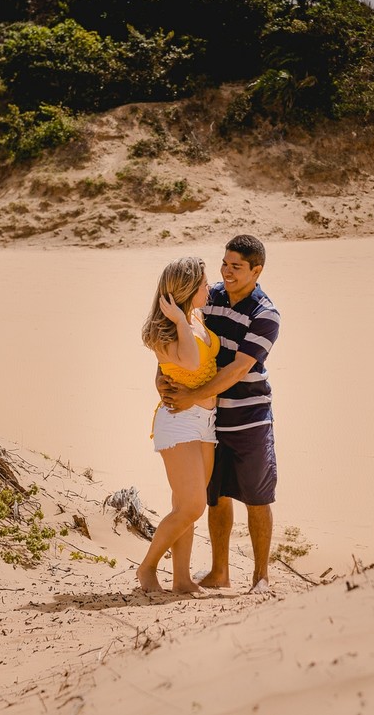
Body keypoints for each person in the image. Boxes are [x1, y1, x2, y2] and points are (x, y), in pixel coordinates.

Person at [160, 235, 280, 594]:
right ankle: (219, 573)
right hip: (209, 418)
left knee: (258, 498)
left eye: (236, 267)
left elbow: (239, 369)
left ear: (256, 270)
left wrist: (192, 396)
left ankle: (260, 577)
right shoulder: (208, 297)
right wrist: (162, 379)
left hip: (250, 417)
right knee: (216, 496)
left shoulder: (265, 314)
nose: (226, 272)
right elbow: (174, 338)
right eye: (224, 264)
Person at [138, 256, 219, 594]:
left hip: (206, 422)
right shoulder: (167, 330)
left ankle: (182, 580)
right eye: (203, 282)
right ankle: (147, 568)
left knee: (186, 507)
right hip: (178, 422)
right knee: (191, 505)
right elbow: (189, 360)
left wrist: (187, 320)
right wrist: (181, 322)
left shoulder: (196, 317)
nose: (209, 286)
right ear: (187, 288)